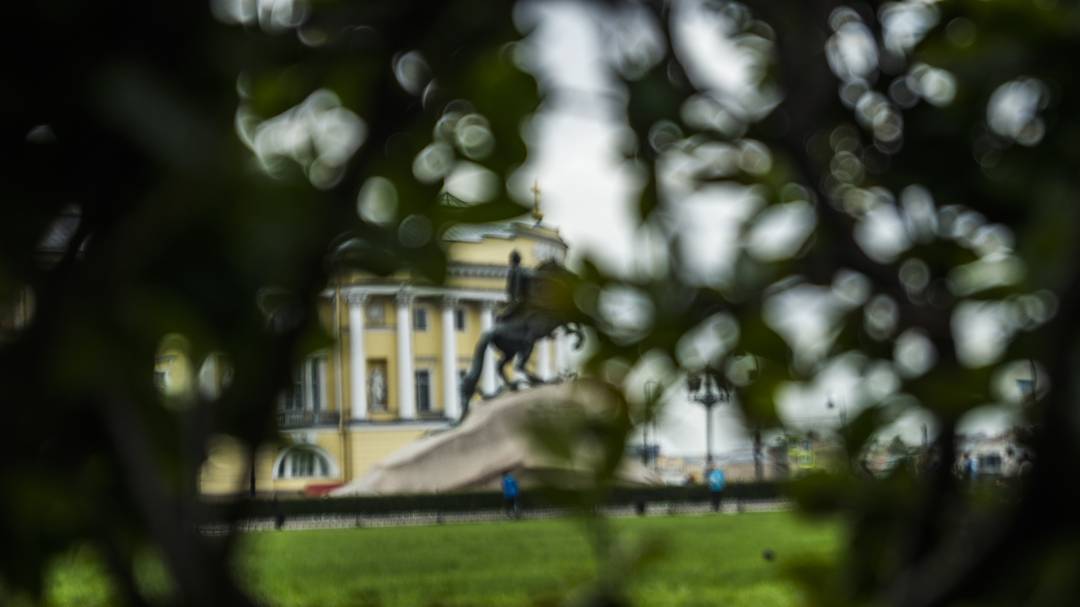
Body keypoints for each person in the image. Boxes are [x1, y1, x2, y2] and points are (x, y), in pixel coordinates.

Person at [498, 251, 530, 321]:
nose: (509, 261)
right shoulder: (523, 270)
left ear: (512, 260)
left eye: (510, 259)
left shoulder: (512, 271)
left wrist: (513, 296)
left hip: (515, 300)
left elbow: (511, 286)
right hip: (521, 299)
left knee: (502, 317)